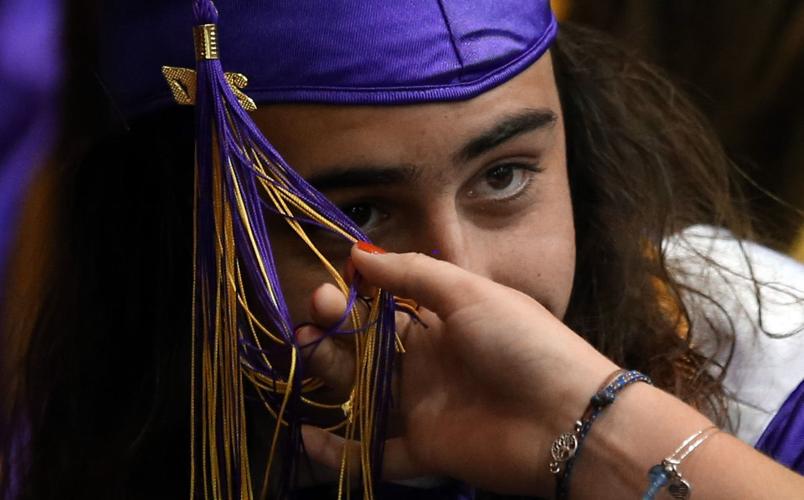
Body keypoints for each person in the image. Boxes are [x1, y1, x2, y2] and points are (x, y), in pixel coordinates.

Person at [1, 0, 802, 499]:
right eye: (358, 212)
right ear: (175, 238)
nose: (466, 285)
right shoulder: (98, 446)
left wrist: (599, 431)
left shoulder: (758, 367)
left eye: (504, 176)